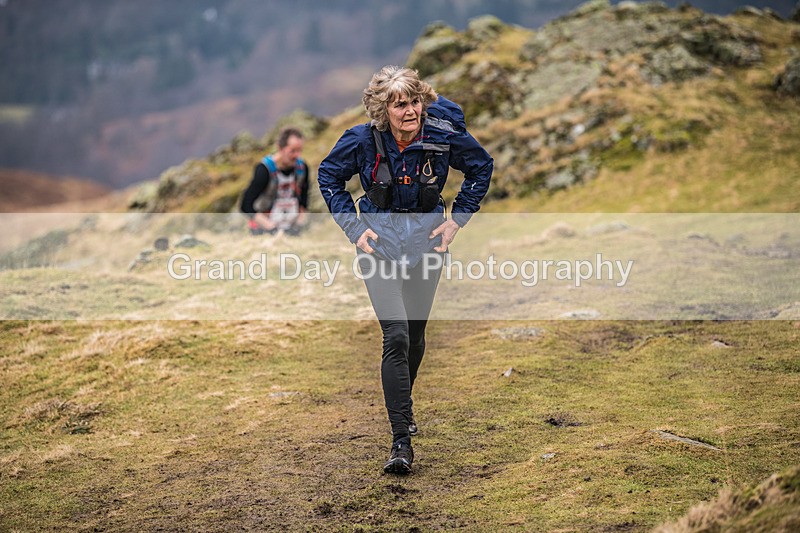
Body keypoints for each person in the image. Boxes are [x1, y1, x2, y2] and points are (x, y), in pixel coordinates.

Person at [318, 65, 493, 474]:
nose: (410, 111)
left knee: (414, 337)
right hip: (378, 248)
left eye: (414, 102)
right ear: (384, 110)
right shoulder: (361, 140)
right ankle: (401, 440)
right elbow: (328, 176)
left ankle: (402, 402)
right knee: (395, 335)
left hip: (427, 247)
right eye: (399, 105)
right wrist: (354, 229)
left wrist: (457, 220)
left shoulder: (442, 134)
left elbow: (481, 167)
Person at [241, 127, 309, 235]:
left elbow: (304, 202)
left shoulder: (302, 169)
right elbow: (246, 205)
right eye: (292, 151)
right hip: (264, 230)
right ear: (280, 148)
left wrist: (298, 226)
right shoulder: (264, 170)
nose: (297, 155)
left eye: (300, 150)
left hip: (291, 229)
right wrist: (272, 229)